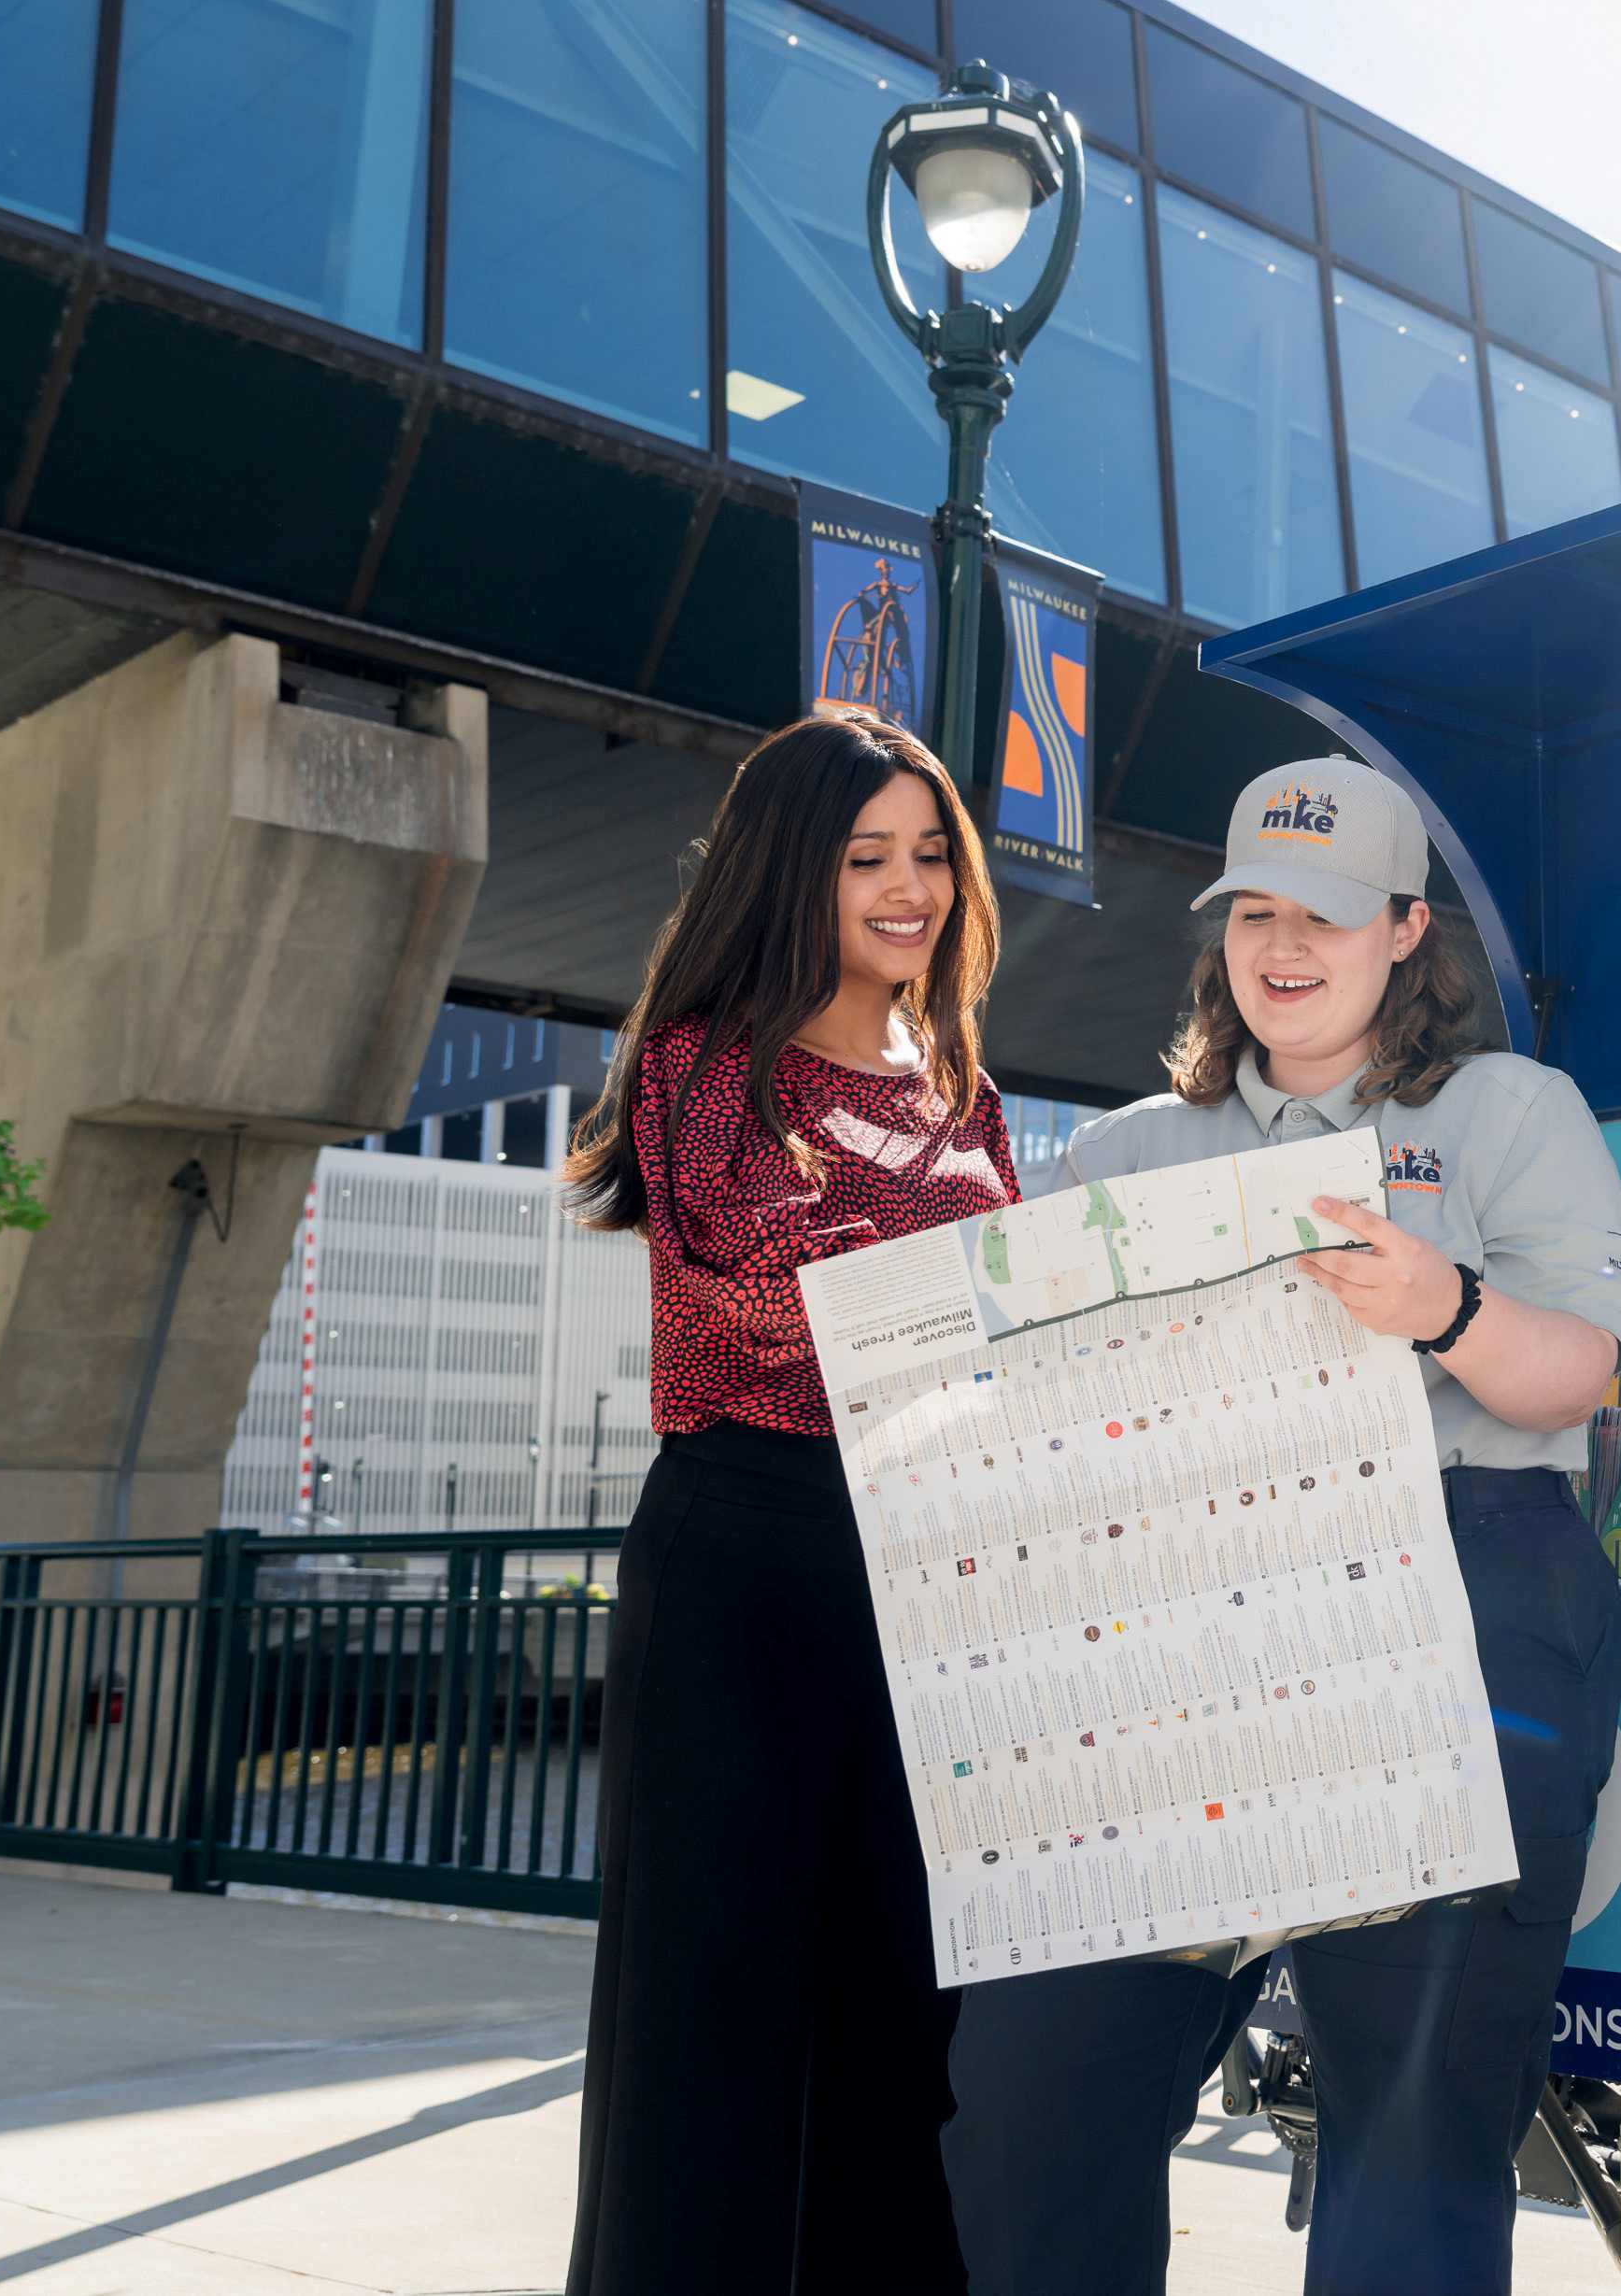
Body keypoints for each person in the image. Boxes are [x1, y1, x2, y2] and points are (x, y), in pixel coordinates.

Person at [945, 756, 1621, 2296]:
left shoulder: (1511, 1112)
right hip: (1177, 1622)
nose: (1284, 944)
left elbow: (1577, 1371)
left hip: (1458, 1593)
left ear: (1404, 931)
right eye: (1255, 909)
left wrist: (1438, 1304)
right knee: (1028, 2091)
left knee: (1410, 2115)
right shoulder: (1124, 1155)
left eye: (1324, 912)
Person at [557, 707, 1015, 2296]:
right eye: (865, 857)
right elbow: (770, 1314)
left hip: (935, 1577)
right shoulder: (702, 1063)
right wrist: (982, 1309)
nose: (909, 889)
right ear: (786, 872)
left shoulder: (964, 1082)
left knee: (915, 2016)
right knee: (716, 2020)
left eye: (931, 853)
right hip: (749, 1558)